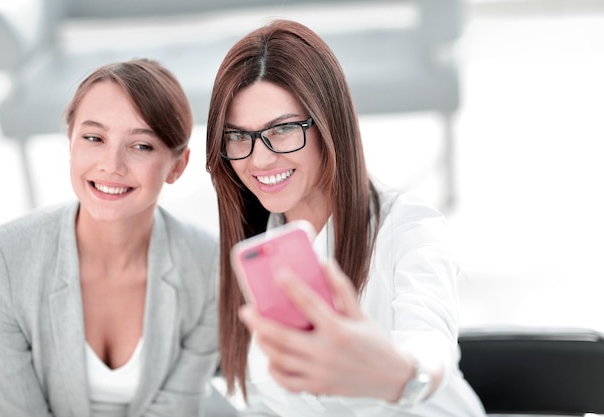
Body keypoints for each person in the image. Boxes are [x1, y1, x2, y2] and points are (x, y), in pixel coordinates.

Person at [205, 19, 486, 416]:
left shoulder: (407, 228)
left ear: (328, 123)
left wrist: (400, 376)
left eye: (283, 129)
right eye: (237, 137)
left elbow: (430, 342)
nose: (259, 158)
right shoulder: (248, 254)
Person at [0, 59, 219, 417]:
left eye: (141, 146)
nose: (112, 165)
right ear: (70, 142)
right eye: (94, 138)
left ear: (177, 166)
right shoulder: (4, 262)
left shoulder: (208, 264)